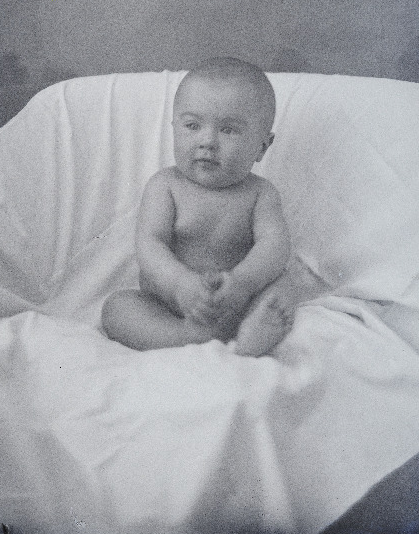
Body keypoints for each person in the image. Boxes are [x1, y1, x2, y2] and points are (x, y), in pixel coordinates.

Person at [102, 57, 316, 356]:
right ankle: (185, 335)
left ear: (262, 147)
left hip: (239, 300)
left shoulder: (260, 194)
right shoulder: (165, 186)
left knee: (287, 284)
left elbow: (274, 246)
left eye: (228, 130)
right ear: (174, 128)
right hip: (171, 305)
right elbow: (150, 243)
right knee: (117, 308)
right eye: (192, 125)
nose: (207, 141)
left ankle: (254, 330)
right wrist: (179, 285)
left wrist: (242, 283)